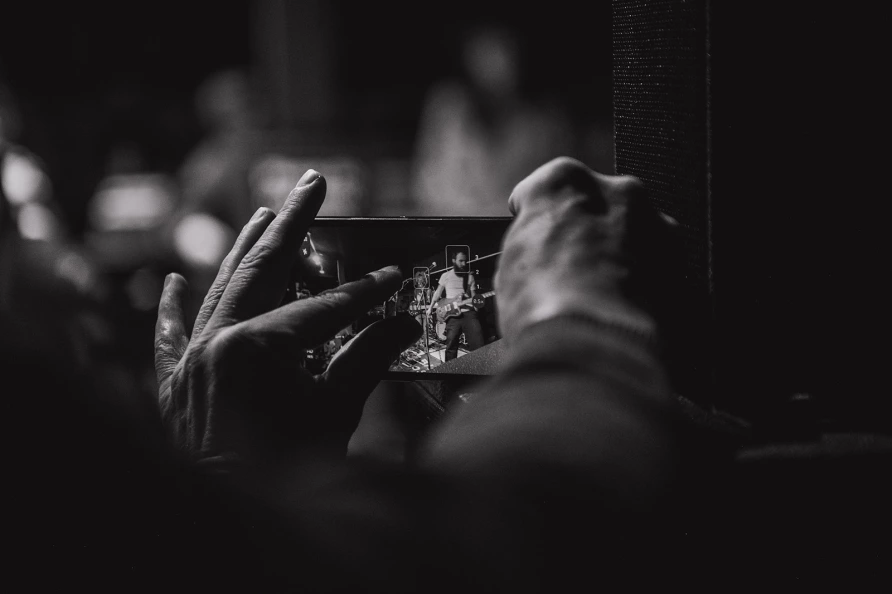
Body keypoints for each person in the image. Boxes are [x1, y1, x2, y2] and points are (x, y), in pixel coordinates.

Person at [426, 249, 484, 361]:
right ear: (454, 261)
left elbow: (474, 295)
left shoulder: (470, 277)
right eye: (460, 261)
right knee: (451, 348)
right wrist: (430, 308)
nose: (464, 263)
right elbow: (438, 293)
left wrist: (477, 304)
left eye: (465, 261)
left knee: (479, 347)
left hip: (469, 314)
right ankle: (450, 374)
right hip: (452, 316)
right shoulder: (445, 275)